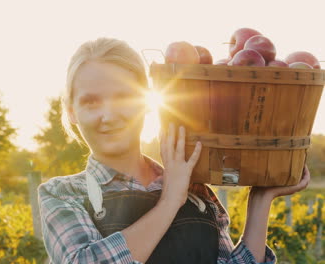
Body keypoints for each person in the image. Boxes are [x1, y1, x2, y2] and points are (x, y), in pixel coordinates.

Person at [37, 37, 310, 264]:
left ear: (145, 102)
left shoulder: (198, 194)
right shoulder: (63, 195)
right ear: (72, 112)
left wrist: (260, 201)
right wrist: (169, 200)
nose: (108, 115)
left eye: (123, 97)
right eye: (91, 102)